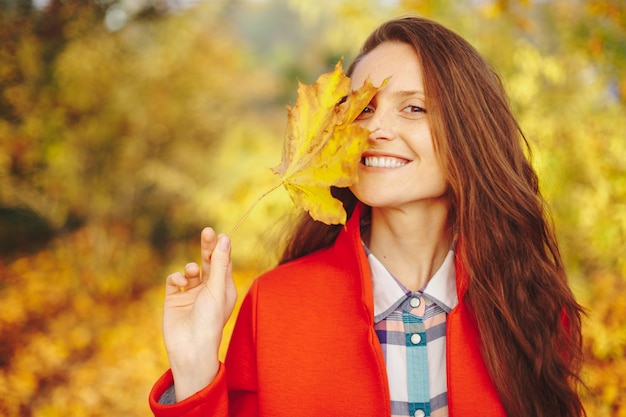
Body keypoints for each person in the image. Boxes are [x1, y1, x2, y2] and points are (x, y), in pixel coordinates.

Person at [149, 16, 586, 417]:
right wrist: (194, 371)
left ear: (469, 131)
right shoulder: (275, 306)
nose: (375, 129)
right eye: (363, 109)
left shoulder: (525, 304)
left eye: (413, 107)